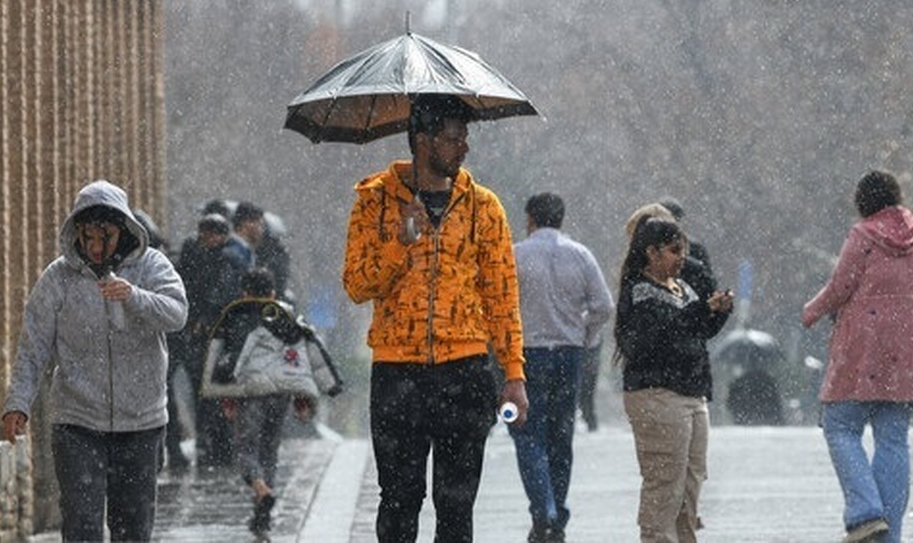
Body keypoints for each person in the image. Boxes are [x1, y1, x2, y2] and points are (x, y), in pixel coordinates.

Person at [342, 93, 528, 543]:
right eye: (453, 138)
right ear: (422, 140)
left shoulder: (484, 207)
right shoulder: (374, 201)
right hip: (396, 372)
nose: (463, 147)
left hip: (464, 371)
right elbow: (356, 284)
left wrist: (514, 373)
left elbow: (501, 295)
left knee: (457, 503)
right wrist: (400, 242)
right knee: (399, 501)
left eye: (464, 137)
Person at [2, 180, 188, 542]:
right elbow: (34, 345)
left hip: (141, 422)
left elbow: (177, 313)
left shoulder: (151, 266)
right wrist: (18, 402)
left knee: (132, 528)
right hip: (78, 421)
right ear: (78, 233)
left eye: (106, 237)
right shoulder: (59, 279)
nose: (97, 248)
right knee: (82, 524)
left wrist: (134, 297)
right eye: (89, 237)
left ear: (123, 230)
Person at [801, 169, 913, 543]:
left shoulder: (863, 236)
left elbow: (840, 286)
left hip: (866, 343)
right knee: (893, 438)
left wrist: (811, 311)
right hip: (911, 344)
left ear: (863, 201)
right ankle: (888, 534)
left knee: (840, 425)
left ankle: (864, 513)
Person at [614, 216, 733, 543]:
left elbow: (697, 332)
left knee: (691, 482)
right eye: (674, 250)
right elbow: (658, 336)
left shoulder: (683, 287)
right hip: (658, 395)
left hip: (692, 394)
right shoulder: (640, 290)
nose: (682, 258)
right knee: (664, 481)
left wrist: (718, 311)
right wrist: (698, 312)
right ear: (651, 253)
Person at [199, 267, 343, 537]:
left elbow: (224, 357)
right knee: (270, 450)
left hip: (250, 392)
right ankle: (262, 514)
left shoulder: (236, 315)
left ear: (244, 292)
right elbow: (304, 352)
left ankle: (260, 489)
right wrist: (320, 390)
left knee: (245, 449)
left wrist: (219, 391)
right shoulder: (286, 316)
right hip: (281, 394)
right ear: (273, 292)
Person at [510, 192, 614, 543]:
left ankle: (544, 511)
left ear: (530, 219)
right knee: (560, 437)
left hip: (527, 356)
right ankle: (557, 513)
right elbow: (603, 305)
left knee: (527, 436)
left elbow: (499, 302)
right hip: (569, 355)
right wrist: (584, 331)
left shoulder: (516, 255)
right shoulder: (581, 255)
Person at [168, 213, 248, 469]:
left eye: (213, 234)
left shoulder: (229, 261)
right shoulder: (195, 258)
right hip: (196, 334)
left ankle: (216, 446)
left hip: (216, 335)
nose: (209, 239)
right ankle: (208, 445)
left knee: (213, 392)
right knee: (204, 391)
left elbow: (224, 295)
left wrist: (207, 315)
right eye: (205, 234)